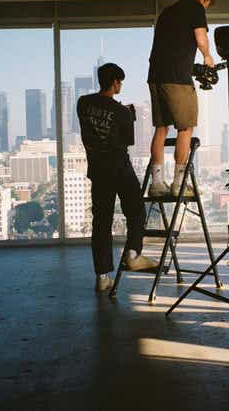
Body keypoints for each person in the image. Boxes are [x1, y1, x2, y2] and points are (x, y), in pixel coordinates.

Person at [77, 63, 158, 292]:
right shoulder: (121, 112)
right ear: (114, 82)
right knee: (135, 210)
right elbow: (128, 141)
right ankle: (132, 254)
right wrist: (129, 117)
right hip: (120, 167)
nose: (120, 85)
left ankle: (102, 277)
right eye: (120, 81)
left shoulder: (83, 103)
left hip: (98, 169)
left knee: (101, 221)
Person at [147, 0, 216, 197]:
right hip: (177, 78)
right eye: (206, 5)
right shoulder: (195, 7)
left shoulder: (167, 12)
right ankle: (179, 184)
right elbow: (200, 37)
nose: (205, 10)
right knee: (185, 129)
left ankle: (157, 184)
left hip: (156, 77)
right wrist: (207, 56)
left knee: (161, 128)